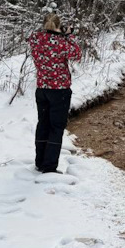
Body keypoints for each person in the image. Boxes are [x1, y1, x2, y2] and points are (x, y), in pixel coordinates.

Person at [28, 14, 82, 174]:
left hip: (42, 89)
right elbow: (77, 54)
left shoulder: (35, 38)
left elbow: (41, 37)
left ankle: (39, 162)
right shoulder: (61, 43)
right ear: (58, 26)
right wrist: (68, 35)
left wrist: (57, 33)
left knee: (43, 124)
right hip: (59, 91)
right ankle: (49, 166)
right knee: (56, 127)